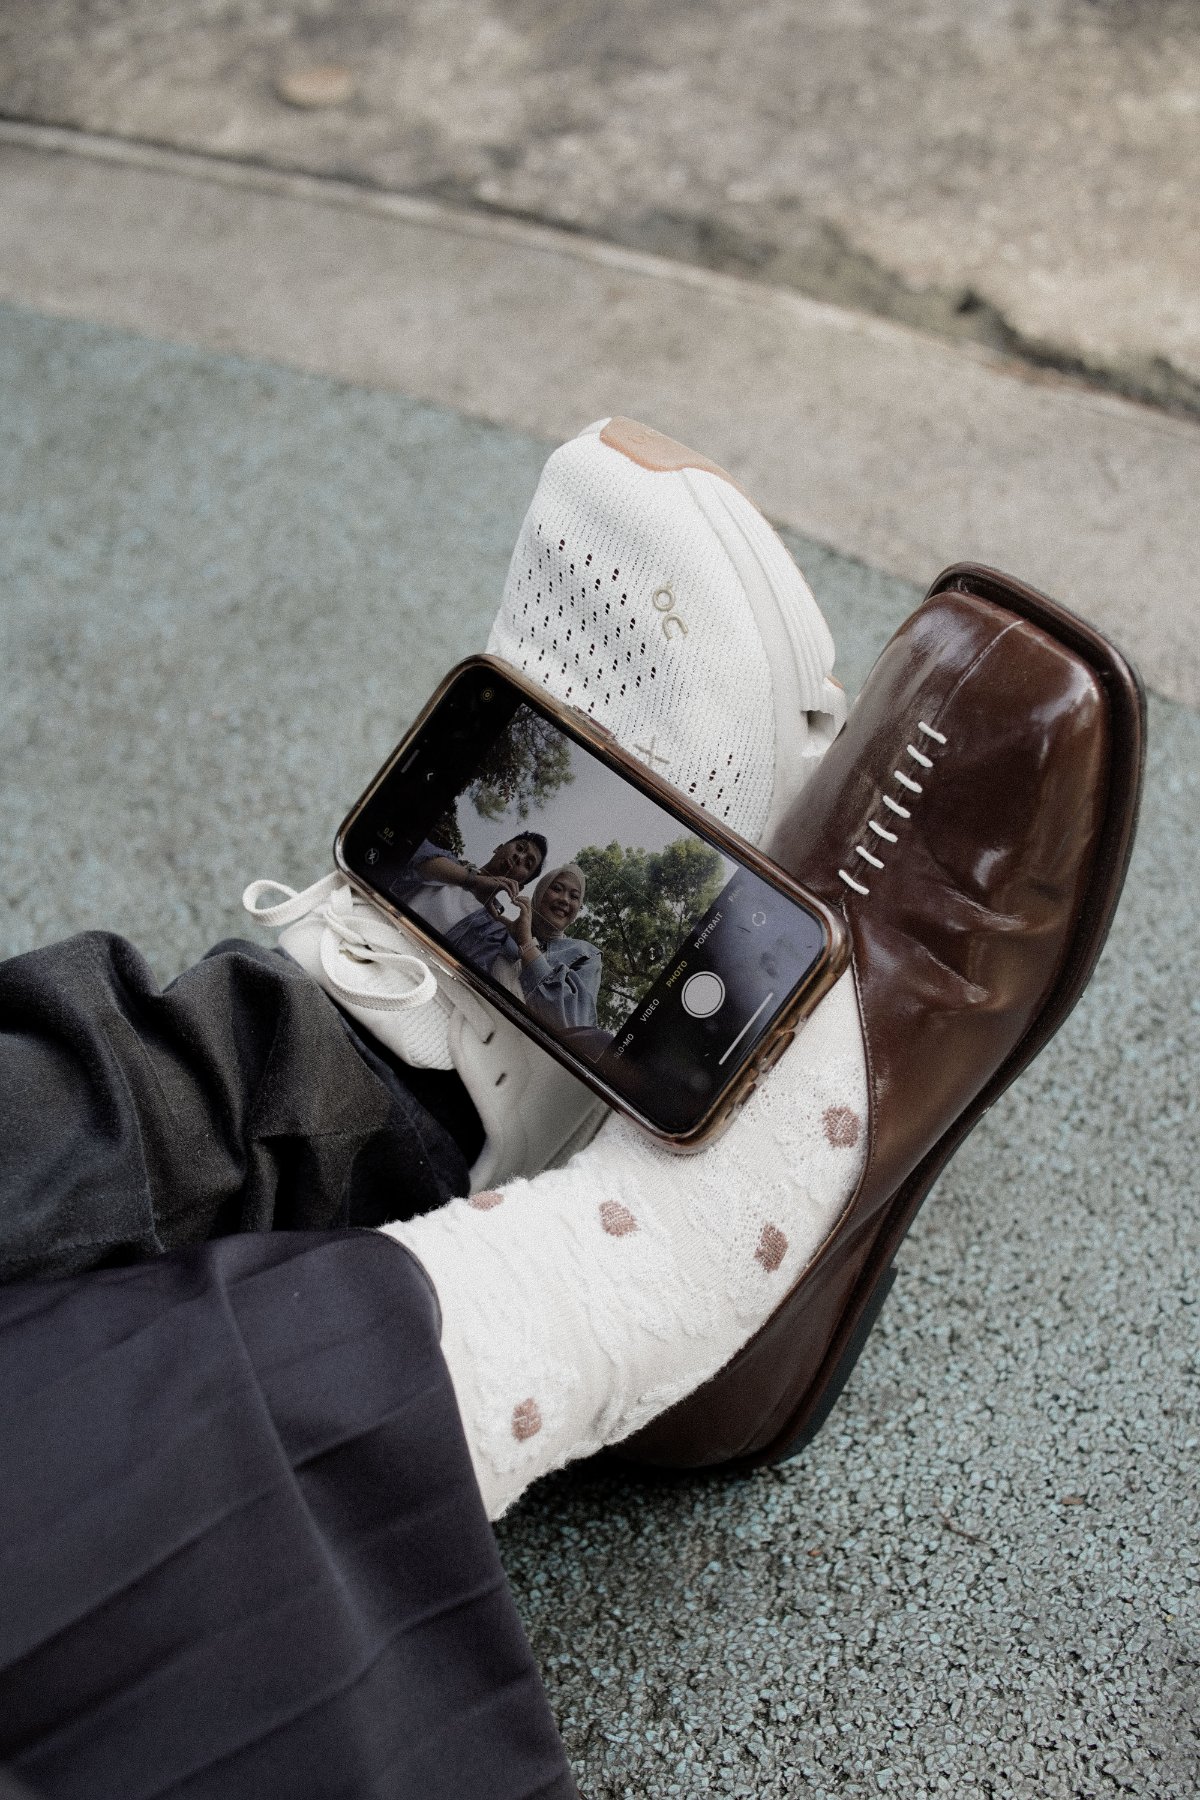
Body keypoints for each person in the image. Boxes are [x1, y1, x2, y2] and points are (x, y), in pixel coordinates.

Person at [0, 419, 1141, 1798]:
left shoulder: (562, 927)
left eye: (554, 861)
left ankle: (307, 1090)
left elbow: (563, 958)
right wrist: (506, 905)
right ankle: (596, 1269)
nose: (548, 867)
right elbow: (508, 906)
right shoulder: (523, 903)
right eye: (543, 858)